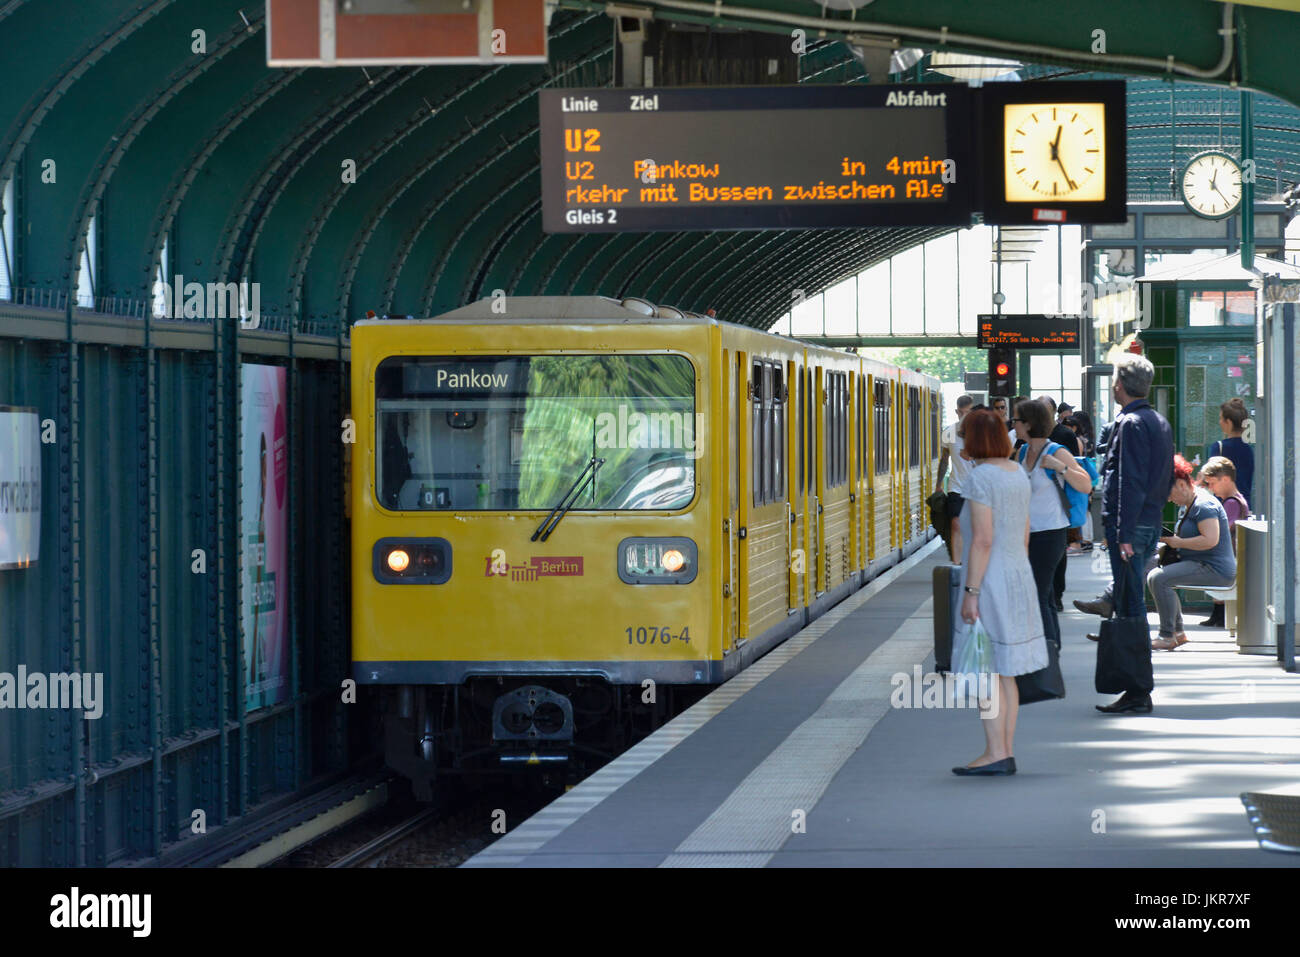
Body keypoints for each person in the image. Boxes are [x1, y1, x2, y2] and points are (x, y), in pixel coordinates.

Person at [952, 409, 1047, 776]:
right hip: (1017, 573)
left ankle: (995, 752)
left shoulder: (981, 478)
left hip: (989, 579)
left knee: (986, 667)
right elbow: (1023, 534)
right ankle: (1004, 750)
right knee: (1006, 672)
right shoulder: (1017, 473)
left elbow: (982, 540)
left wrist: (971, 592)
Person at [1092, 353, 1174, 714]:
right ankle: (1136, 687)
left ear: (1120, 385)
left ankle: (1138, 690)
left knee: (1130, 605)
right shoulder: (1158, 421)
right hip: (1148, 521)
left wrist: (1122, 532)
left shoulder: (1129, 424)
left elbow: (1128, 481)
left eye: (1113, 380)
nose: (1112, 386)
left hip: (1131, 527)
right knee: (1131, 602)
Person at [1012, 399, 1093, 652]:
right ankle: (1050, 648)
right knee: (1043, 595)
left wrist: (1061, 467)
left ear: (1029, 423)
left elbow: (1086, 484)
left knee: (1037, 593)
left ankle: (1046, 652)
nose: (1013, 425)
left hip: (1051, 533)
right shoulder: (1023, 452)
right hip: (1027, 533)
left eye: (1016, 420)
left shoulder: (1056, 451)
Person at [1146, 454, 1236, 650]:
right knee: (1155, 572)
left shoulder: (1204, 505)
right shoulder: (1190, 504)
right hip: (1201, 564)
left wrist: (1179, 542)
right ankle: (1177, 633)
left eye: (1168, 493)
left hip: (1214, 569)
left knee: (1158, 578)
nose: (1168, 499)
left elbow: (1210, 540)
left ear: (1181, 484)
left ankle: (1167, 635)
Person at [1196, 456, 1250, 627]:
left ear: (1225, 479)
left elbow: (1222, 531)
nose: (1211, 489)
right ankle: (1218, 614)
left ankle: (1219, 615)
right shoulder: (1235, 501)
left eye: (1212, 483)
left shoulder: (1232, 503)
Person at [935, 394, 975, 562]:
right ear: (956, 412)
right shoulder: (949, 432)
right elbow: (944, 459)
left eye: (969, 412)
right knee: (956, 523)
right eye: (962, 412)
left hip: (977, 487)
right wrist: (938, 484)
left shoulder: (980, 432)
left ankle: (972, 557)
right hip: (956, 486)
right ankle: (957, 561)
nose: (965, 416)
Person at [1206, 397, 1254, 505]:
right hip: (1244, 505)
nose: (1220, 422)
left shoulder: (1219, 447)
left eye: (1221, 418)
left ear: (1228, 422)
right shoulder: (1248, 450)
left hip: (1223, 505)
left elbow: (1209, 477)